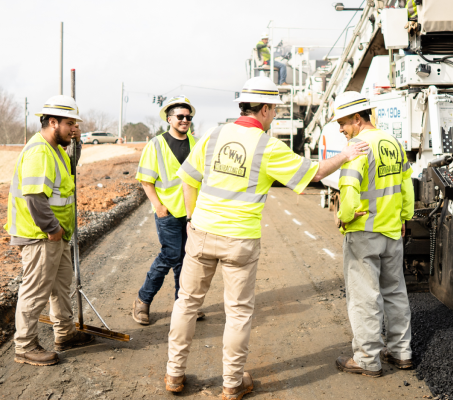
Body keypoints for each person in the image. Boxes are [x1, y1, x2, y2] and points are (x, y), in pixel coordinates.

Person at [163, 77, 370, 399]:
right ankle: (232, 383)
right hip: (240, 240)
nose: (274, 115)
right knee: (238, 312)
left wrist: (191, 218)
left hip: (201, 232)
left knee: (186, 303)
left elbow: (188, 178)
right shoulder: (267, 146)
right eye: (274, 110)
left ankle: (174, 375)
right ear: (266, 108)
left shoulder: (214, 135)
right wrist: (345, 155)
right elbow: (312, 174)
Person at [4, 95, 95, 366]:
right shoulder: (39, 152)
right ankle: (25, 346)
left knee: (61, 286)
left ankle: (64, 334)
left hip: (56, 235)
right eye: (70, 124)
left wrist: (76, 142)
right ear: (52, 122)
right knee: (35, 291)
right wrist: (52, 229)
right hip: (41, 235)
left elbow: (70, 168)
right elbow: (34, 197)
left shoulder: (54, 148)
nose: (74, 128)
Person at [332, 91, 415, 377]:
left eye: (343, 122)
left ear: (357, 118)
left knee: (364, 296)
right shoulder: (392, 142)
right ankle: (402, 351)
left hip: (364, 232)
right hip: (392, 231)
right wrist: (405, 217)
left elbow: (349, 189)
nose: (340, 129)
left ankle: (367, 359)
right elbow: (407, 185)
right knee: (395, 292)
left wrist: (344, 218)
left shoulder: (357, 146)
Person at [133, 96, 205, 325]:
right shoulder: (156, 144)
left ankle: (182, 305)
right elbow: (146, 180)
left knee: (187, 259)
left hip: (192, 212)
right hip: (169, 212)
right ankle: (142, 301)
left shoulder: (196, 143)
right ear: (169, 119)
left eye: (188, 117)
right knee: (171, 255)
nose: (185, 120)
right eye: (181, 117)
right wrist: (158, 206)